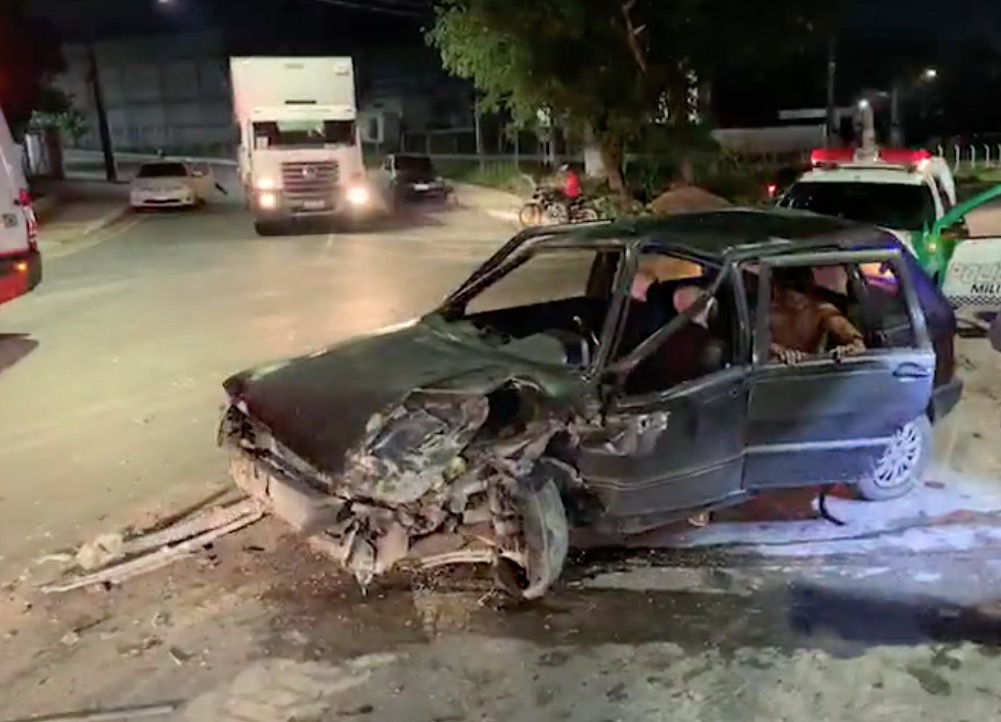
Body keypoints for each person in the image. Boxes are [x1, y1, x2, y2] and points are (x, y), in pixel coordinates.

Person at [768, 268, 865, 364]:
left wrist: (851, 347)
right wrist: (777, 350)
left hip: (809, 370)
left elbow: (856, 341)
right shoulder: (764, 314)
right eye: (785, 291)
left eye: (798, 290)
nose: (792, 299)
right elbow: (757, 347)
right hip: (771, 372)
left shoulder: (820, 310)